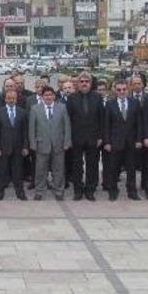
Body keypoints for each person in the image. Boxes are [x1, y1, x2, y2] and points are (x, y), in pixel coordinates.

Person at [65, 72, 105, 201]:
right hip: (76, 137)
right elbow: (68, 120)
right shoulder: (72, 98)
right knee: (77, 165)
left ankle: (90, 190)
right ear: (78, 84)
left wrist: (100, 137)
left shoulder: (97, 97)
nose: (84, 84)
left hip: (93, 138)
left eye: (86, 81)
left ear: (90, 84)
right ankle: (78, 190)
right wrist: (68, 138)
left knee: (92, 165)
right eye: (81, 81)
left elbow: (101, 119)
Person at [102, 80, 143, 201]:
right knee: (113, 168)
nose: (121, 92)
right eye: (119, 89)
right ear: (115, 90)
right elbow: (106, 125)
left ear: (128, 89)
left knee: (131, 168)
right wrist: (107, 142)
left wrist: (139, 139)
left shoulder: (135, 103)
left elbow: (139, 123)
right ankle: (113, 190)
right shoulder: (110, 104)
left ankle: (132, 191)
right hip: (115, 142)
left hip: (131, 141)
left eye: (124, 89)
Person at [28, 86, 70, 201]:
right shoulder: (35, 109)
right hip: (41, 144)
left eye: (50, 95)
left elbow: (67, 126)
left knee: (59, 169)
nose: (48, 97)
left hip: (59, 144)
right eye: (46, 95)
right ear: (42, 97)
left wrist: (67, 142)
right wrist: (33, 144)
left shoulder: (62, 108)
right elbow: (32, 128)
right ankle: (39, 191)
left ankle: (59, 191)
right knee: (40, 170)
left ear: (54, 96)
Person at [0, 89, 29, 200]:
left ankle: (20, 192)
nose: (11, 100)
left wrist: (25, 146)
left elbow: (25, 132)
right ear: (5, 99)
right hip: (3, 148)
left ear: (16, 99)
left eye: (13, 98)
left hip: (18, 148)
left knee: (18, 171)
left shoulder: (22, 112)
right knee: (2, 171)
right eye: (9, 98)